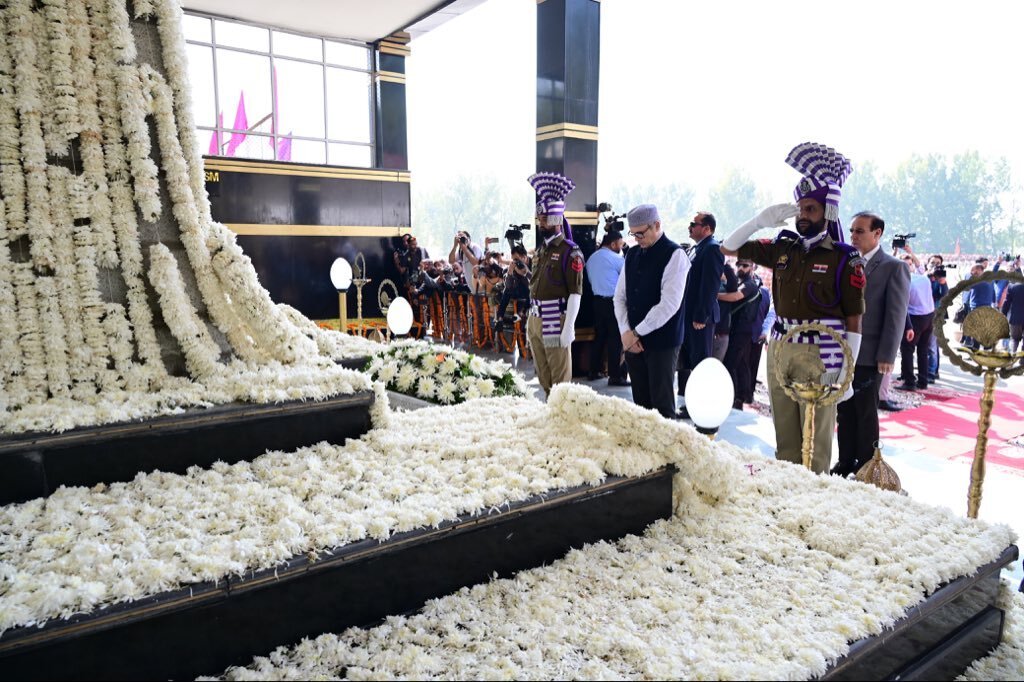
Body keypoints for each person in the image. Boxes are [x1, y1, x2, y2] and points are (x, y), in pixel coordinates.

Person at [721, 141, 865, 474]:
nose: (803, 216)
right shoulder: (784, 247)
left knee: (815, 442)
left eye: (810, 209)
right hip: (781, 347)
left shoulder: (845, 258)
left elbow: (854, 318)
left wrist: (847, 370)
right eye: (800, 209)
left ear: (828, 211)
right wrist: (760, 220)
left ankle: (813, 498)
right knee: (785, 437)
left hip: (822, 351)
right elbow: (729, 247)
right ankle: (786, 491)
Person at [833, 212, 910, 476]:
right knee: (844, 409)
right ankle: (845, 461)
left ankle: (866, 466)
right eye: (852, 231)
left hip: (870, 354)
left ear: (877, 234)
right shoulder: (846, 262)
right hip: (844, 351)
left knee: (865, 412)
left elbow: (896, 315)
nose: (853, 236)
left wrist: (887, 354)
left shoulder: (893, 267)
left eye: (860, 231)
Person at [614, 204, 690, 419]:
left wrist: (636, 332)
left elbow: (669, 304)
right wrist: (625, 332)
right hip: (632, 340)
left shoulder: (675, 254)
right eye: (633, 234)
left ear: (657, 225)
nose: (637, 239)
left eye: (641, 233)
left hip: (662, 342)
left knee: (662, 406)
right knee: (640, 405)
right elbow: (619, 297)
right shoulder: (632, 254)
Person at [526, 172, 584, 397]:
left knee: (559, 378)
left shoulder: (570, 251)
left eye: (545, 219)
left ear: (557, 220)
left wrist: (569, 326)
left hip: (554, 315)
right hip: (535, 316)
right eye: (539, 218)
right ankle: (550, 409)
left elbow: (575, 292)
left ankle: (560, 412)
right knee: (542, 373)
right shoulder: (541, 250)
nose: (541, 223)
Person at [677, 212, 724, 409]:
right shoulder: (697, 248)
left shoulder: (712, 248)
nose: (689, 227)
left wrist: (701, 316)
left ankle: (701, 407)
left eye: (693, 224)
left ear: (706, 228)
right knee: (690, 361)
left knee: (700, 363)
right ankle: (690, 403)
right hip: (689, 314)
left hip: (700, 317)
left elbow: (709, 286)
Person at [586, 230, 629, 385]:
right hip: (613, 303)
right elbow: (627, 277)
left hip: (597, 302)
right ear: (613, 244)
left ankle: (593, 371)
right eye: (620, 244)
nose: (621, 247)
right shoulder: (616, 258)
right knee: (615, 339)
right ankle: (615, 376)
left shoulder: (591, 258)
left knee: (599, 337)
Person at [721, 258, 762, 409]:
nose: (741, 268)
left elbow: (735, 297)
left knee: (730, 363)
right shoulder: (743, 283)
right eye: (738, 265)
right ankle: (741, 397)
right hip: (738, 329)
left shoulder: (749, 284)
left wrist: (715, 296)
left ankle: (734, 399)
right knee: (740, 364)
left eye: (745, 266)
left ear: (752, 268)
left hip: (741, 330)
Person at [898, 253, 936, 390]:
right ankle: (922, 381)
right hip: (929, 316)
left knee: (907, 349)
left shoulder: (905, 282)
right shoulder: (923, 278)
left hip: (915, 318)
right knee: (922, 349)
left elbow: (902, 304)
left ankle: (909, 381)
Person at [925, 254, 950, 381]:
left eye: (938, 263)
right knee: (925, 345)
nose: (935, 265)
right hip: (922, 313)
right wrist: (928, 276)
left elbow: (945, 295)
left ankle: (932, 372)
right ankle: (928, 370)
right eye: (933, 262)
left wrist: (942, 282)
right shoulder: (924, 277)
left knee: (932, 345)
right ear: (927, 264)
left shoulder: (941, 279)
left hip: (936, 315)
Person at [1002, 277, 1024, 353]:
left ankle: (1012, 356)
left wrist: (1003, 313)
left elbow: (1007, 302)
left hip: (1015, 319)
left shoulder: (1012, 286)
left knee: (1014, 340)